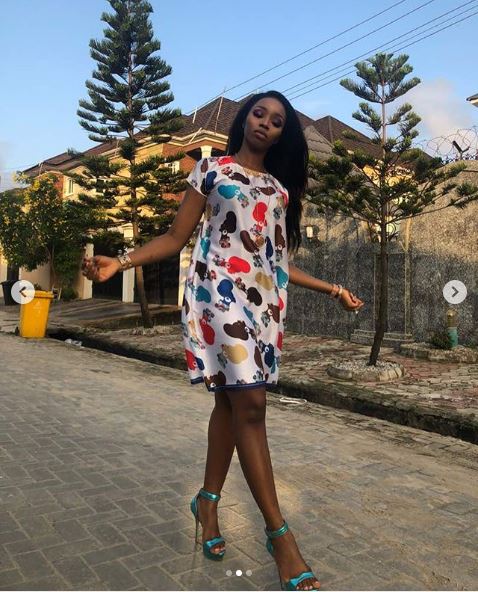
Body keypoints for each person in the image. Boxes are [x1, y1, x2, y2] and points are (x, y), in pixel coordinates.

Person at [82, 90, 364, 591]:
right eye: (259, 113)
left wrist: (334, 290)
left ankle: (207, 504)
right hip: (218, 297)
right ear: (244, 118)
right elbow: (175, 238)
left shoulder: (279, 191)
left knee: (231, 406)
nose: (266, 123)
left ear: (281, 135)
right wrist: (119, 261)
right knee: (251, 405)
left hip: (262, 308)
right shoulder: (210, 170)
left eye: (277, 121)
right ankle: (280, 537)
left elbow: (277, 264)